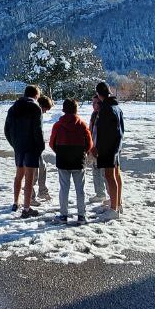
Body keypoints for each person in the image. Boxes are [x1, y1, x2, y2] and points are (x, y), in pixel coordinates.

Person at [4, 85, 45, 218]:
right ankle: (27, 209)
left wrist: (14, 144)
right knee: (29, 178)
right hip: (31, 147)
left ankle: (16, 202)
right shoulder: (35, 108)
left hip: (18, 147)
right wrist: (40, 146)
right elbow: (38, 130)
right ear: (36, 95)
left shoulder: (13, 108)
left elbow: (6, 130)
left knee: (19, 175)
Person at [49, 98, 93, 224]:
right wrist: (83, 152)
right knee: (80, 189)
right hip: (79, 160)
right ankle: (81, 216)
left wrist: (60, 151)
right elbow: (89, 144)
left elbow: (52, 143)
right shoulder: (82, 125)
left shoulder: (57, 125)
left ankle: (63, 215)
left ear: (63, 109)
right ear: (76, 109)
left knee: (64, 188)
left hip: (63, 159)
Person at [92, 82, 125, 217]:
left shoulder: (106, 109)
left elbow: (104, 132)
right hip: (116, 146)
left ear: (99, 94)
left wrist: (97, 148)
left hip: (108, 148)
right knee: (116, 174)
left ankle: (114, 209)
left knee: (109, 176)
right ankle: (117, 202)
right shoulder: (116, 107)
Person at [86, 94, 107, 203]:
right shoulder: (94, 114)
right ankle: (100, 194)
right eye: (92, 102)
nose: (93, 105)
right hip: (93, 146)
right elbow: (90, 130)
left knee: (105, 173)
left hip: (101, 148)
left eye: (96, 102)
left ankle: (110, 195)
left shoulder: (104, 114)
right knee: (95, 171)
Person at [34, 96, 54, 203]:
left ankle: (42, 191)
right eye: (46, 109)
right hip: (33, 146)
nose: (45, 112)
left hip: (37, 146)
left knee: (42, 167)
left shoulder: (38, 113)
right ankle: (33, 195)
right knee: (35, 170)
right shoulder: (36, 113)